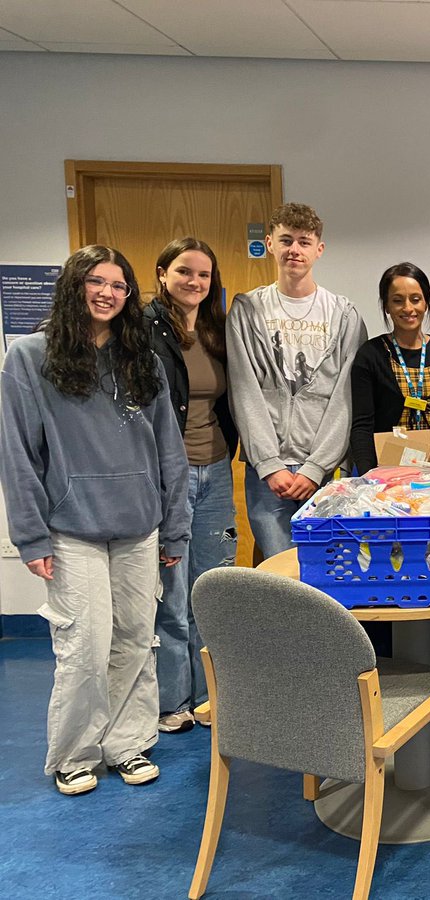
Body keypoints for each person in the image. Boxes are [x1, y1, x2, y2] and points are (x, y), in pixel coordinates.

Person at [0, 245, 189, 795]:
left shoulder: (141, 359)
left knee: (134, 639)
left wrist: (174, 525)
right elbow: (17, 453)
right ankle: (76, 753)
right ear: (73, 286)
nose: (108, 293)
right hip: (69, 528)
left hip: (139, 527)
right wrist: (30, 534)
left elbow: (169, 454)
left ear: (130, 295)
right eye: (96, 281)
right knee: (83, 644)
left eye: (119, 285)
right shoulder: (30, 357)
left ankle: (127, 743)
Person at [226, 203, 366, 559]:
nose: (294, 250)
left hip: (325, 471)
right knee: (281, 579)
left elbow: (345, 398)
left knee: (329, 576)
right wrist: (269, 465)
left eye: (304, 242)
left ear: (319, 249)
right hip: (268, 474)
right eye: (286, 240)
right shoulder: (247, 310)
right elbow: (244, 392)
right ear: (270, 243)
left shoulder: (344, 315)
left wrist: (317, 467)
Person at [145, 237, 238, 734]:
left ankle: (211, 696)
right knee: (173, 591)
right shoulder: (141, 330)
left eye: (204, 275)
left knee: (214, 585)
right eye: (184, 271)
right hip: (170, 474)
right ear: (163, 273)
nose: (194, 282)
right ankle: (173, 701)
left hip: (218, 468)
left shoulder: (214, 329)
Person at [349, 262, 430, 473]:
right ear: (386, 306)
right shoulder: (370, 355)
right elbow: (362, 425)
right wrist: (367, 477)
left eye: (415, 299)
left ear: (426, 303)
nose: (408, 308)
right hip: (386, 473)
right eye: (397, 301)